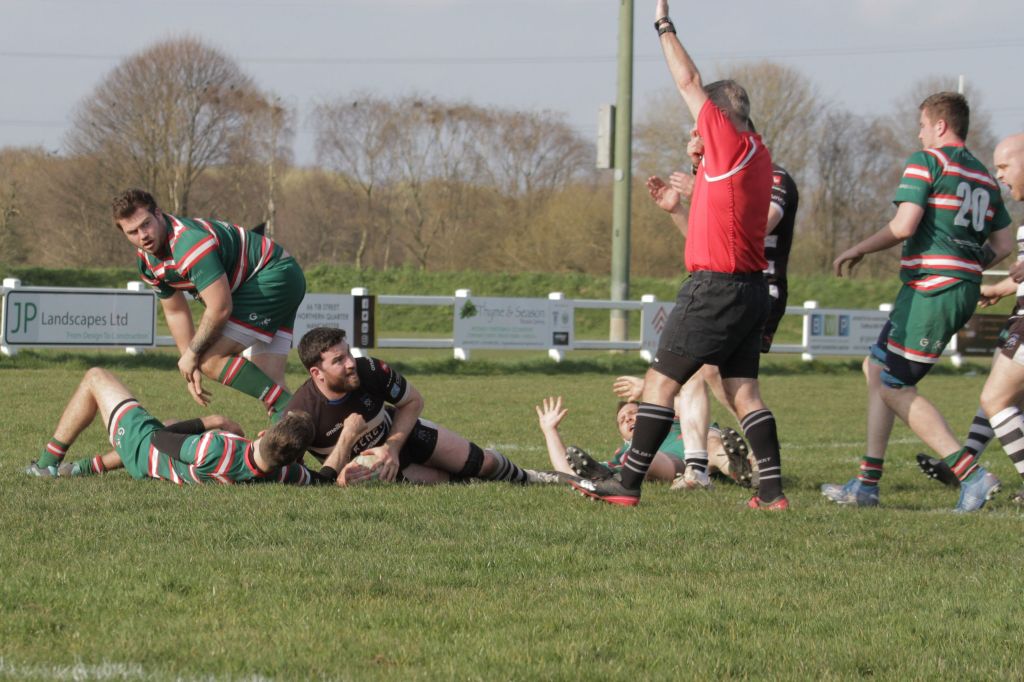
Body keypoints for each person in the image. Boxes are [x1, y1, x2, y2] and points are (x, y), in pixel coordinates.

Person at [569, 0, 786, 509]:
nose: (696, 129)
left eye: (701, 123)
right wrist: (684, 193)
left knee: (659, 382)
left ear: (720, 117)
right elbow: (718, 222)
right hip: (749, 289)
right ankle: (772, 493)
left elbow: (689, 81)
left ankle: (627, 484)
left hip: (715, 289)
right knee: (744, 393)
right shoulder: (756, 154)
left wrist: (663, 25)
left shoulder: (726, 140)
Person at [823, 93, 1013, 512]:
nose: (919, 133)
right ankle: (867, 483)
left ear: (940, 125)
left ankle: (972, 475)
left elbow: (904, 225)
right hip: (941, 287)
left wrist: (858, 248)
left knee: (895, 386)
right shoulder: (984, 177)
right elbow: (1002, 244)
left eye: (923, 125)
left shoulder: (927, 161)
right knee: (876, 367)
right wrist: (967, 267)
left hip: (933, 290)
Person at [648, 132, 799, 487]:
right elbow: (707, 243)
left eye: (702, 137)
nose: (696, 145)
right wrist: (679, 209)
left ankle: (741, 462)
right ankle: (718, 464)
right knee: (706, 372)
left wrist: (701, 190)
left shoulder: (773, 178)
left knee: (721, 378)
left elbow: (751, 230)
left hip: (755, 288)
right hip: (727, 287)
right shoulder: (717, 180)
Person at [110, 189, 304, 418]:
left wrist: (193, 355)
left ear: (159, 214)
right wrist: (188, 364)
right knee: (268, 381)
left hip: (272, 277)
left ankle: (301, 411)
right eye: (132, 232)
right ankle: (303, 435)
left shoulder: (188, 243)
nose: (143, 235)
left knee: (210, 360)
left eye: (146, 224)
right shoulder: (146, 262)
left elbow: (220, 308)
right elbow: (175, 311)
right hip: (280, 276)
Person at [282, 327, 547, 486]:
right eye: (339, 360)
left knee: (484, 463)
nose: (351, 363)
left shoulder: (370, 370)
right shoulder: (301, 414)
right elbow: (309, 478)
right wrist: (348, 440)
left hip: (403, 435)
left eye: (349, 353)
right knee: (457, 482)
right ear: (316, 373)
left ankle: (533, 478)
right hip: (375, 470)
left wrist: (391, 448)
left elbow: (413, 401)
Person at [23, 368, 318, 484]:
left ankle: (47, 465)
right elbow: (319, 479)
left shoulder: (216, 447)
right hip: (163, 462)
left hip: (145, 450)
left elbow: (160, 438)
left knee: (96, 377)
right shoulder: (283, 474)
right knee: (172, 423)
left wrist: (213, 421)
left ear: (264, 433)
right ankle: (81, 469)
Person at [535, 391, 755, 488]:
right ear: (622, 434)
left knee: (711, 441)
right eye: (623, 420)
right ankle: (604, 475)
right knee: (640, 456)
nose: (628, 418)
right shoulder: (626, 451)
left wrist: (651, 394)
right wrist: (549, 430)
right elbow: (567, 470)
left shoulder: (677, 420)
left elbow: (687, 402)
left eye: (634, 413)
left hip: (700, 446)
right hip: (669, 463)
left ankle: (738, 467)